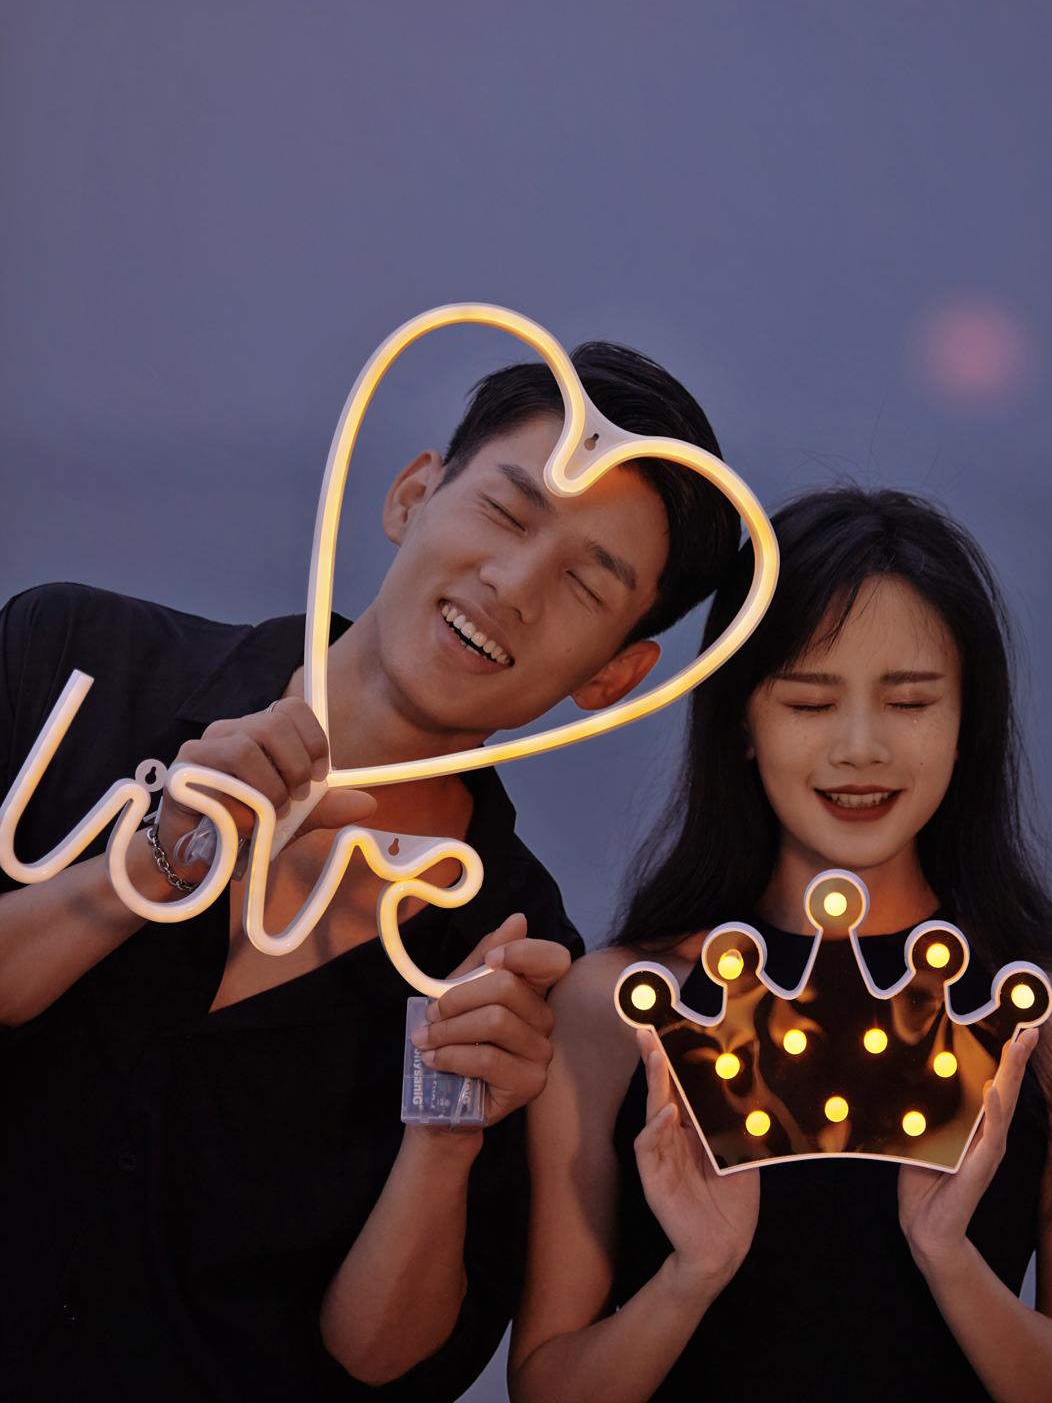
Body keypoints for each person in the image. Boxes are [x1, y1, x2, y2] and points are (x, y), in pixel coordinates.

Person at [0, 340, 741, 1402]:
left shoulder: (510, 958)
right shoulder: (76, 664)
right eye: (505, 512)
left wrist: (444, 1136)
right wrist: (142, 872)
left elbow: (381, 1362)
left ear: (614, 674)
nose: (512, 585)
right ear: (411, 494)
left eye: (585, 583)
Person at [512, 484, 1052, 1403]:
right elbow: (545, 1386)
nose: (860, 748)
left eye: (909, 701)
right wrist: (691, 1275)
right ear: (739, 720)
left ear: (968, 725)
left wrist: (949, 1257)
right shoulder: (617, 1005)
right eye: (809, 702)